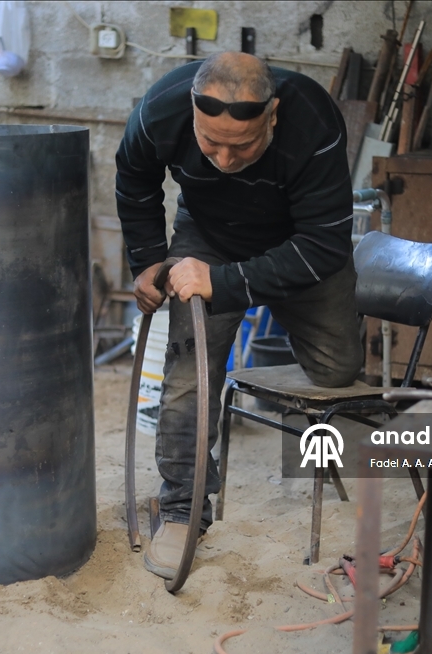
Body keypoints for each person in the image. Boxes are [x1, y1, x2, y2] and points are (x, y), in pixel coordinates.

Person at [116, 52, 362, 580]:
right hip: (208, 235)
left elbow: (325, 244)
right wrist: (147, 259)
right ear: (192, 112)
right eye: (211, 143)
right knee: (188, 380)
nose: (225, 159)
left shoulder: (313, 122)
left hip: (299, 241)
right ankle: (183, 509)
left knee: (338, 373)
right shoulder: (161, 108)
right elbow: (133, 174)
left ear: (272, 114)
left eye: (243, 145)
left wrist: (227, 283)